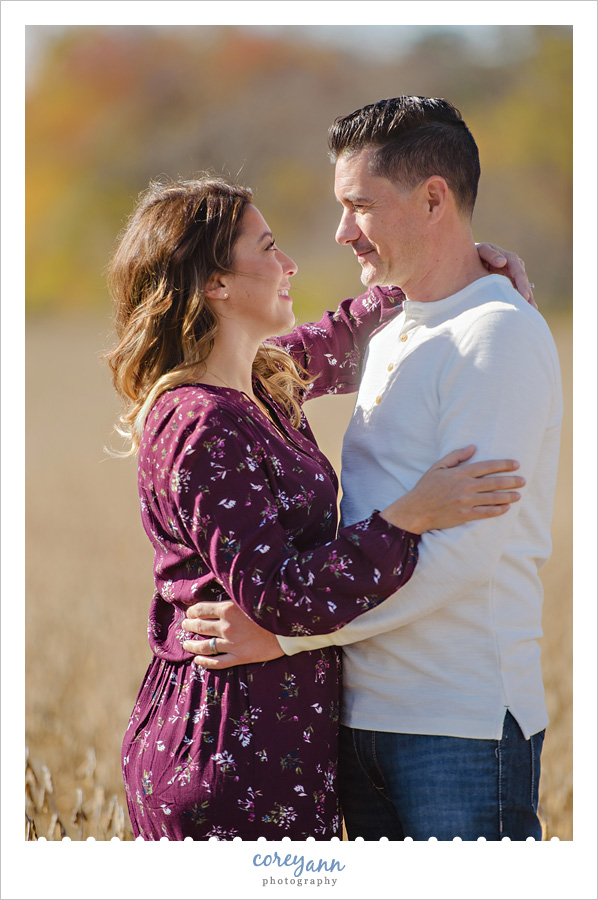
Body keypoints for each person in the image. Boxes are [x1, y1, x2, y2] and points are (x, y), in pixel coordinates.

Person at [182, 98, 563, 841]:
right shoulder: (393, 327)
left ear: (432, 199)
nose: (340, 231)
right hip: (360, 720)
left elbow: (464, 557)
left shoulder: (498, 335)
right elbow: (228, 376)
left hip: (459, 726)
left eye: (359, 205)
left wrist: (287, 636)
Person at [106, 174, 530, 840]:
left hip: (275, 742)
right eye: (268, 248)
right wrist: (407, 518)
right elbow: (277, 593)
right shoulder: (201, 422)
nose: (290, 264)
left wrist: (455, 266)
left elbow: (341, 334)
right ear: (214, 284)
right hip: (227, 756)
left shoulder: (260, 380)